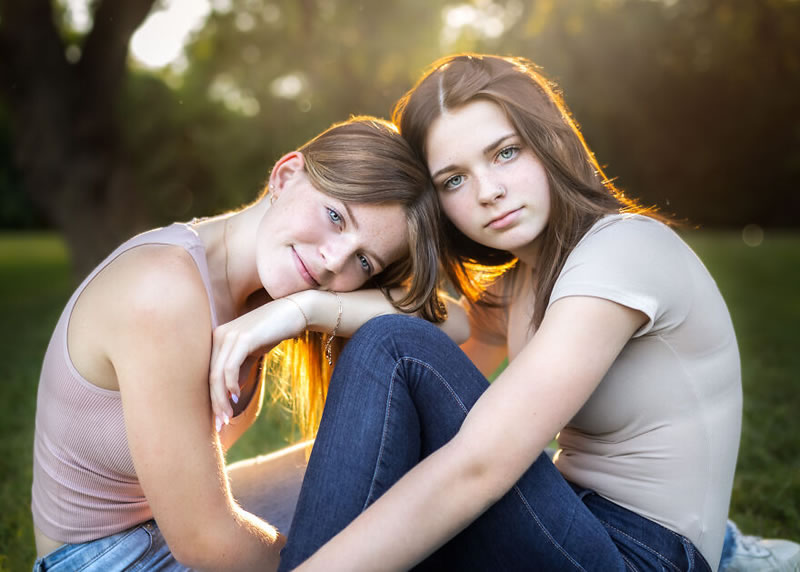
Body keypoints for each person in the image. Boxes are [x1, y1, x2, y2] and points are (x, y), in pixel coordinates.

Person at [268, 53, 753, 571]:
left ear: (552, 140)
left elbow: (479, 465)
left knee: (393, 345)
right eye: (453, 180)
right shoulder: (523, 283)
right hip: (571, 524)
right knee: (396, 355)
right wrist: (308, 307)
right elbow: (414, 380)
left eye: (504, 153)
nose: (488, 192)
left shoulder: (624, 250)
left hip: (644, 556)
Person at [30, 116, 455, 571]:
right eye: (335, 216)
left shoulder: (274, 297)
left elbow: (452, 322)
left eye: (364, 260)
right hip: (109, 560)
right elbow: (207, 544)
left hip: (162, 527)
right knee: (398, 540)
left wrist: (304, 310)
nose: (334, 260)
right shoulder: (163, 289)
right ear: (286, 175)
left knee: (412, 476)